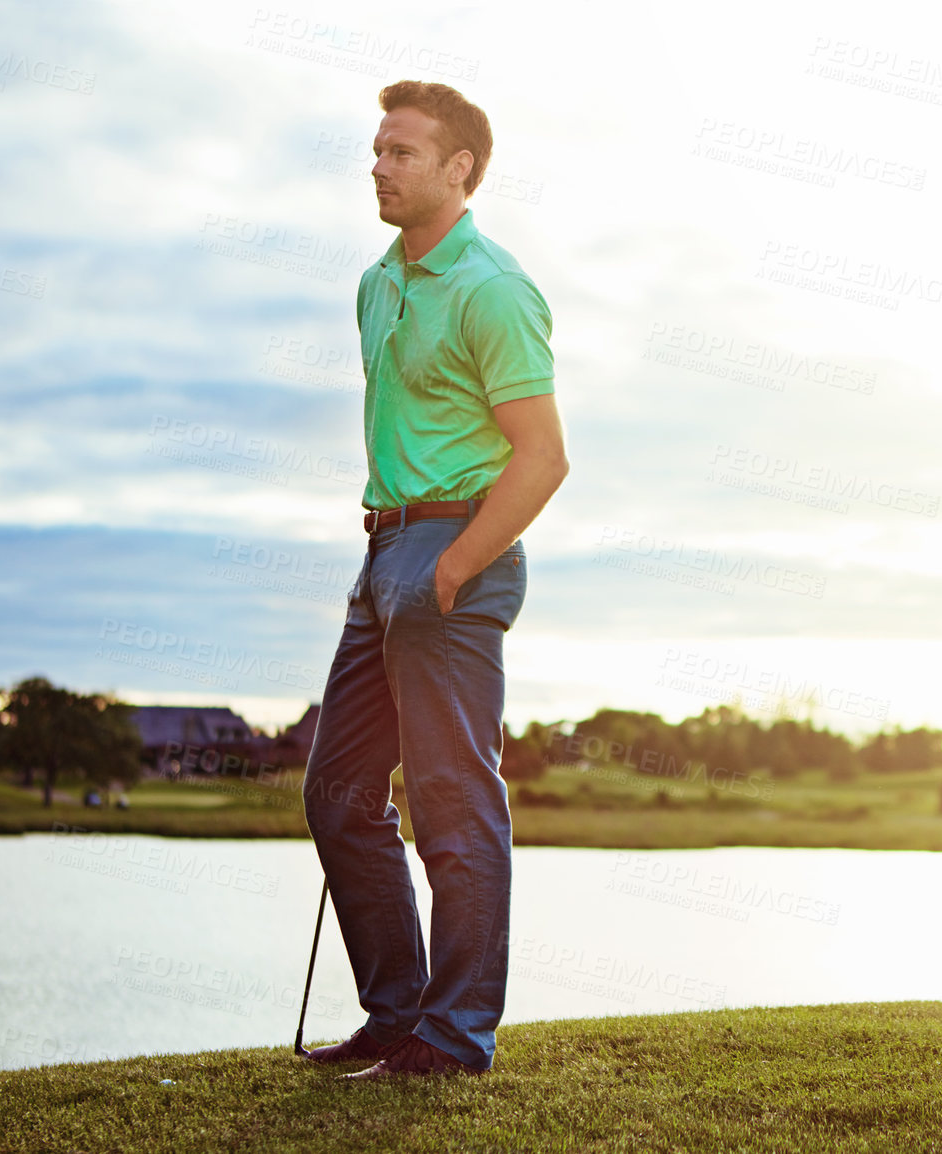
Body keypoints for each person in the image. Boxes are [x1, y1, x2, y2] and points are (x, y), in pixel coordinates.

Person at [299, 80, 569, 1081]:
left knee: (455, 804)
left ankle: (454, 1038)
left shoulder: (492, 288)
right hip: (382, 552)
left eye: (402, 151)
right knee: (336, 792)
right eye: (376, 149)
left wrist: (454, 564)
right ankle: (398, 1014)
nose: (379, 165)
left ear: (459, 169)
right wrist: (393, 562)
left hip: (458, 550)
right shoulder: (378, 283)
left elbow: (541, 455)